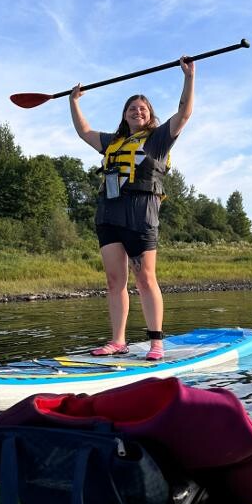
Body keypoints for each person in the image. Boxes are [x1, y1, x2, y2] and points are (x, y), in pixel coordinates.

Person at [69, 57, 195, 361]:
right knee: (115, 281)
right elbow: (84, 131)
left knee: (145, 278)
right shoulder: (114, 141)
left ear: (149, 114)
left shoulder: (159, 139)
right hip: (109, 214)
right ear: (124, 115)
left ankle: (156, 343)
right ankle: (118, 341)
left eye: (143, 108)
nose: (137, 111)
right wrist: (74, 102)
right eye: (131, 108)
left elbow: (185, 113)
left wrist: (189, 77)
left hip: (141, 214)